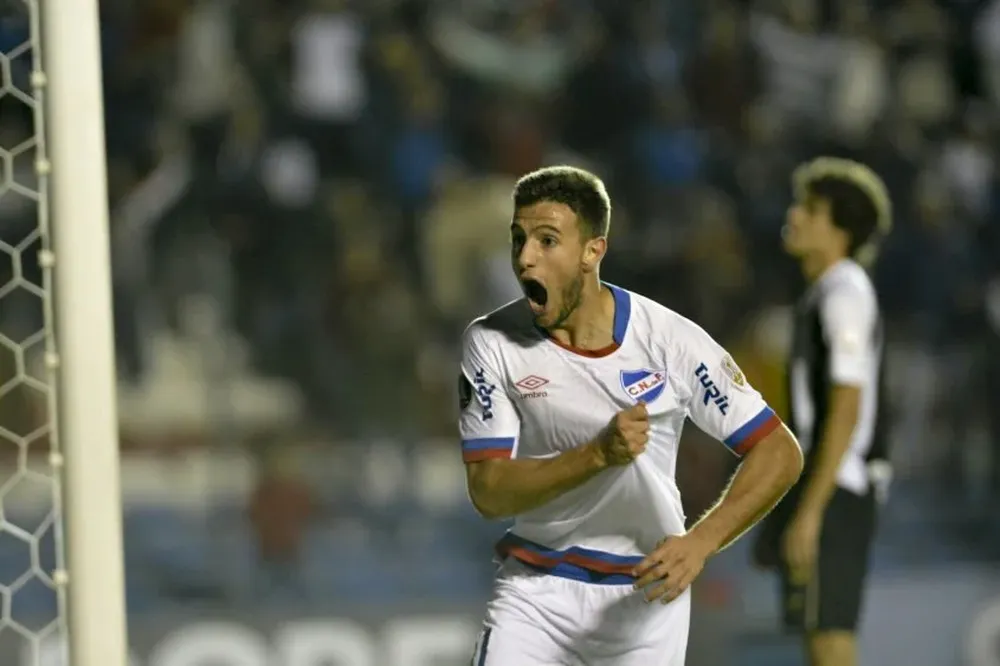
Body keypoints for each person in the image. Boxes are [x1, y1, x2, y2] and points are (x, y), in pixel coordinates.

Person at [457, 165, 804, 666]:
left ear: (592, 252)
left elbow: (779, 452)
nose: (526, 258)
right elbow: (488, 492)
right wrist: (596, 455)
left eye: (547, 240)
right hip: (536, 593)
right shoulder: (492, 343)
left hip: (644, 601)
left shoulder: (669, 341)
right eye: (519, 239)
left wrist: (701, 542)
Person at [753, 157, 892, 666]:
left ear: (841, 231)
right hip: (826, 485)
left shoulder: (844, 291)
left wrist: (811, 509)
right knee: (819, 639)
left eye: (810, 208)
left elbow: (848, 403)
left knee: (831, 641)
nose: (795, 215)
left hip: (836, 487)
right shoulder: (825, 292)